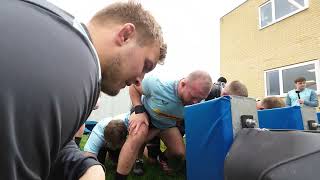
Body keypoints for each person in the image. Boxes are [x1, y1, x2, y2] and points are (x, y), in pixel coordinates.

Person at [0, 1, 166, 180]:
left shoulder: (51, 25)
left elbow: (42, 139)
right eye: (145, 65)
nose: (139, 79)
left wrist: (81, 165)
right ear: (125, 35)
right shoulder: (80, 69)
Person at [115, 70, 212, 180]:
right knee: (138, 134)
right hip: (146, 114)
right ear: (183, 84)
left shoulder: (197, 101)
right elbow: (134, 87)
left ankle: (159, 156)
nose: (195, 102)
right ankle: (131, 167)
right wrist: (138, 109)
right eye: (193, 97)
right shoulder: (158, 84)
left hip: (165, 125)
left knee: (179, 153)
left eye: (199, 99)